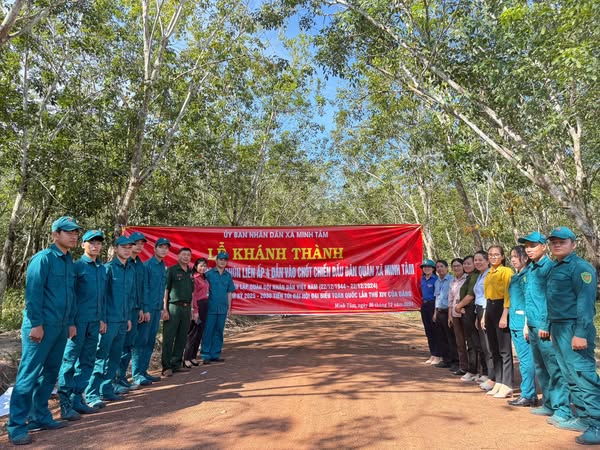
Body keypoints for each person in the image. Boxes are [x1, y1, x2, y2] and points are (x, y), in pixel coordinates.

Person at [7, 216, 81, 446]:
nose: (73, 235)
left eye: (75, 232)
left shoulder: (69, 261)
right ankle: (16, 426)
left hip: (60, 327)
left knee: (50, 374)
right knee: (28, 375)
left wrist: (70, 322)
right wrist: (36, 324)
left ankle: (40, 415)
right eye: (68, 232)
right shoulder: (43, 259)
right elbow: (33, 294)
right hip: (41, 326)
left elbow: (70, 296)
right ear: (55, 235)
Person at [545, 227, 600, 445]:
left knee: (583, 374)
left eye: (562, 242)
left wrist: (580, 333)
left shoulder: (580, 268)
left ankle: (597, 423)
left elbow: (585, 304)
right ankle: (584, 417)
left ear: (573, 244)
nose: (557, 245)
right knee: (569, 375)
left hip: (574, 328)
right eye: (554, 242)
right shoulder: (556, 268)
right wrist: (550, 327)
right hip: (558, 328)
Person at [519, 231, 572, 424]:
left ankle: (563, 409)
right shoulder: (531, 268)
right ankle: (548, 404)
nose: (529, 250)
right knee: (541, 367)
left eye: (532, 246)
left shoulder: (549, 267)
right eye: (526, 246)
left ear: (543, 246)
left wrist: (545, 324)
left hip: (544, 326)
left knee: (554, 368)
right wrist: (527, 324)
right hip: (532, 325)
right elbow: (530, 299)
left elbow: (551, 300)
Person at [57, 229, 107, 421]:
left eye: (99, 243)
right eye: (91, 242)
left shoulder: (101, 269)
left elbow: (101, 297)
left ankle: (78, 398)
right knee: (69, 362)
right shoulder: (77, 267)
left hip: (94, 323)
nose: (95, 246)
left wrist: (102, 319)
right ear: (83, 244)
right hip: (77, 323)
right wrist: (70, 322)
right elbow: (70, 296)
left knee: (87, 361)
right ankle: (65, 402)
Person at [85, 236, 134, 408]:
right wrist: (102, 319)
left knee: (114, 357)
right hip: (108, 321)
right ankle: (92, 393)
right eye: (124, 247)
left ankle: (106, 389)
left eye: (130, 247)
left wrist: (127, 318)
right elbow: (102, 297)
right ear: (116, 248)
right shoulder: (108, 269)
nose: (127, 250)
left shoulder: (129, 269)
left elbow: (127, 297)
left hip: (122, 320)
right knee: (100, 358)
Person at [132, 237, 170, 385]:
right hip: (147, 309)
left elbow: (161, 289)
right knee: (140, 341)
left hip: (156, 309)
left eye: (166, 248)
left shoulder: (162, 266)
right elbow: (145, 290)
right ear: (155, 249)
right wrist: (145, 309)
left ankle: (143, 371)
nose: (164, 250)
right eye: (161, 247)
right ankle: (136, 374)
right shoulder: (147, 266)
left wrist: (161, 308)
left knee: (149, 341)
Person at [115, 231, 147, 392]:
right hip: (119, 312)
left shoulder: (138, 264)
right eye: (136, 243)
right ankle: (114, 380)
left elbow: (139, 290)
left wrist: (141, 308)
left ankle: (122, 378)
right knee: (118, 346)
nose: (138, 246)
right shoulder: (119, 266)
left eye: (141, 244)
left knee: (128, 345)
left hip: (134, 310)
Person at [506, 245, 537, 407]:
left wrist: (526, 324)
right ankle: (528, 393)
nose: (512, 259)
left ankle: (529, 394)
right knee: (524, 360)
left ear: (525, 258)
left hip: (523, 324)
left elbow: (529, 301)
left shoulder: (529, 275)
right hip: (514, 323)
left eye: (515, 256)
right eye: (511, 256)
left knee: (526, 361)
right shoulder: (516, 276)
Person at [481, 245, 514, 398]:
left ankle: (507, 384)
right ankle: (499, 382)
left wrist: (504, 315)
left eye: (496, 254)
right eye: (491, 254)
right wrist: (484, 315)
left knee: (504, 350)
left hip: (502, 308)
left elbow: (509, 294)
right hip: (490, 308)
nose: (493, 257)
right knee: (493, 349)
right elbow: (487, 296)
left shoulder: (506, 272)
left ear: (502, 256)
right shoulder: (489, 273)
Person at [161, 247, 194, 376]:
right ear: (178, 256)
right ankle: (166, 366)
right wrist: (165, 309)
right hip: (173, 306)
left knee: (182, 337)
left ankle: (176, 364)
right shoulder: (171, 271)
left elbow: (191, 291)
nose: (186, 257)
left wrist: (191, 308)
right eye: (184, 254)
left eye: (188, 255)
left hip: (186, 308)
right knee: (169, 337)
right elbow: (166, 290)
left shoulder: (190, 272)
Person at [200, 251, 236, 364]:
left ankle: (215, 354)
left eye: (225, 260)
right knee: (208, 331)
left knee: (219, 331)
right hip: (210, 307)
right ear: (216, 261)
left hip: (222, 308)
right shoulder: (209, 274)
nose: (223, 261)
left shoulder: (228, 275)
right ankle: (205, 355)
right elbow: (202, 290)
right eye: (221, 259)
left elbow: (229, 292)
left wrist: (229, 308)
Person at [453, 255, 481, 382]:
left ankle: (480, 371)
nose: (466, 265)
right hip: (466, 311)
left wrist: (459, 306)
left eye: (469, 263)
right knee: (470, 343)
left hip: (472, 311)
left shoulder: (475, 276)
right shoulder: (470, 277)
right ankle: (472, 370)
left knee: (476, 343)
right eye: (465, 263)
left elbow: (470, 295)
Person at [472, 250, 494, 391]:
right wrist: (477, 315)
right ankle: (487, 374)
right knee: (484, 346)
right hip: (479, 310)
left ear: (487, 261)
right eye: (476, 260)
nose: (477, 262)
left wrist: (484, 315)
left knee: (489, 346)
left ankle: (492, 377)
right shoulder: (479, 276)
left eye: (480, 260)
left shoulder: (490, 275)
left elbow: (488, 296)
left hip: (487, 311)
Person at [183, 258, 210, 368]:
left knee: (199, 332)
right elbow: (193, 295)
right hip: (197, 305)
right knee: (192, 333)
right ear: (195, 266)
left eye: (204, 266)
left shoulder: (204, 277)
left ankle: (193, 356)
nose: (203, 268)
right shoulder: (194, 278)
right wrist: (195, 310)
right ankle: (186, 358)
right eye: (201, 266)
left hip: (204, 305)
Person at [432, 260, 457, 369]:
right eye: (437, 267)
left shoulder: (452, 280)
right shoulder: (437, 282)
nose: (439, 269)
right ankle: (446, 360)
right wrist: (435, 313)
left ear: (447, 268)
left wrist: (451, 314)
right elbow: (437, 298)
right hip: (440, 312)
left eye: (442, 266)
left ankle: (455, 361)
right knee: (442, 337)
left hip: (449, 312)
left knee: (451, 337)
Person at [447, 258, 468, 376]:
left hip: (465, 313)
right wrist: (450, 315)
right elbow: (450, 300)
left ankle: (476, 368)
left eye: (458, 266)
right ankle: (463, 367)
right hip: (455, 314)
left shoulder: (467, 279)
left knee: (470, 342)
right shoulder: (453, 281)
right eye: (454, 266)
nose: (456, 268)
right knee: (459, 342)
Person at [419, 260, 440, 365]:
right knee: (428, 331)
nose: (426, 268)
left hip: (433, 305)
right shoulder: (422, 280)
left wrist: (435, 311)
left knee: (435, 331)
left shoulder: (436, 280)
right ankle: (432, 353)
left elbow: (438, 296)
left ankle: (437, 355)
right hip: (424, 305)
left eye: (429, 267)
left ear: (433, 269)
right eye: (424, 267)